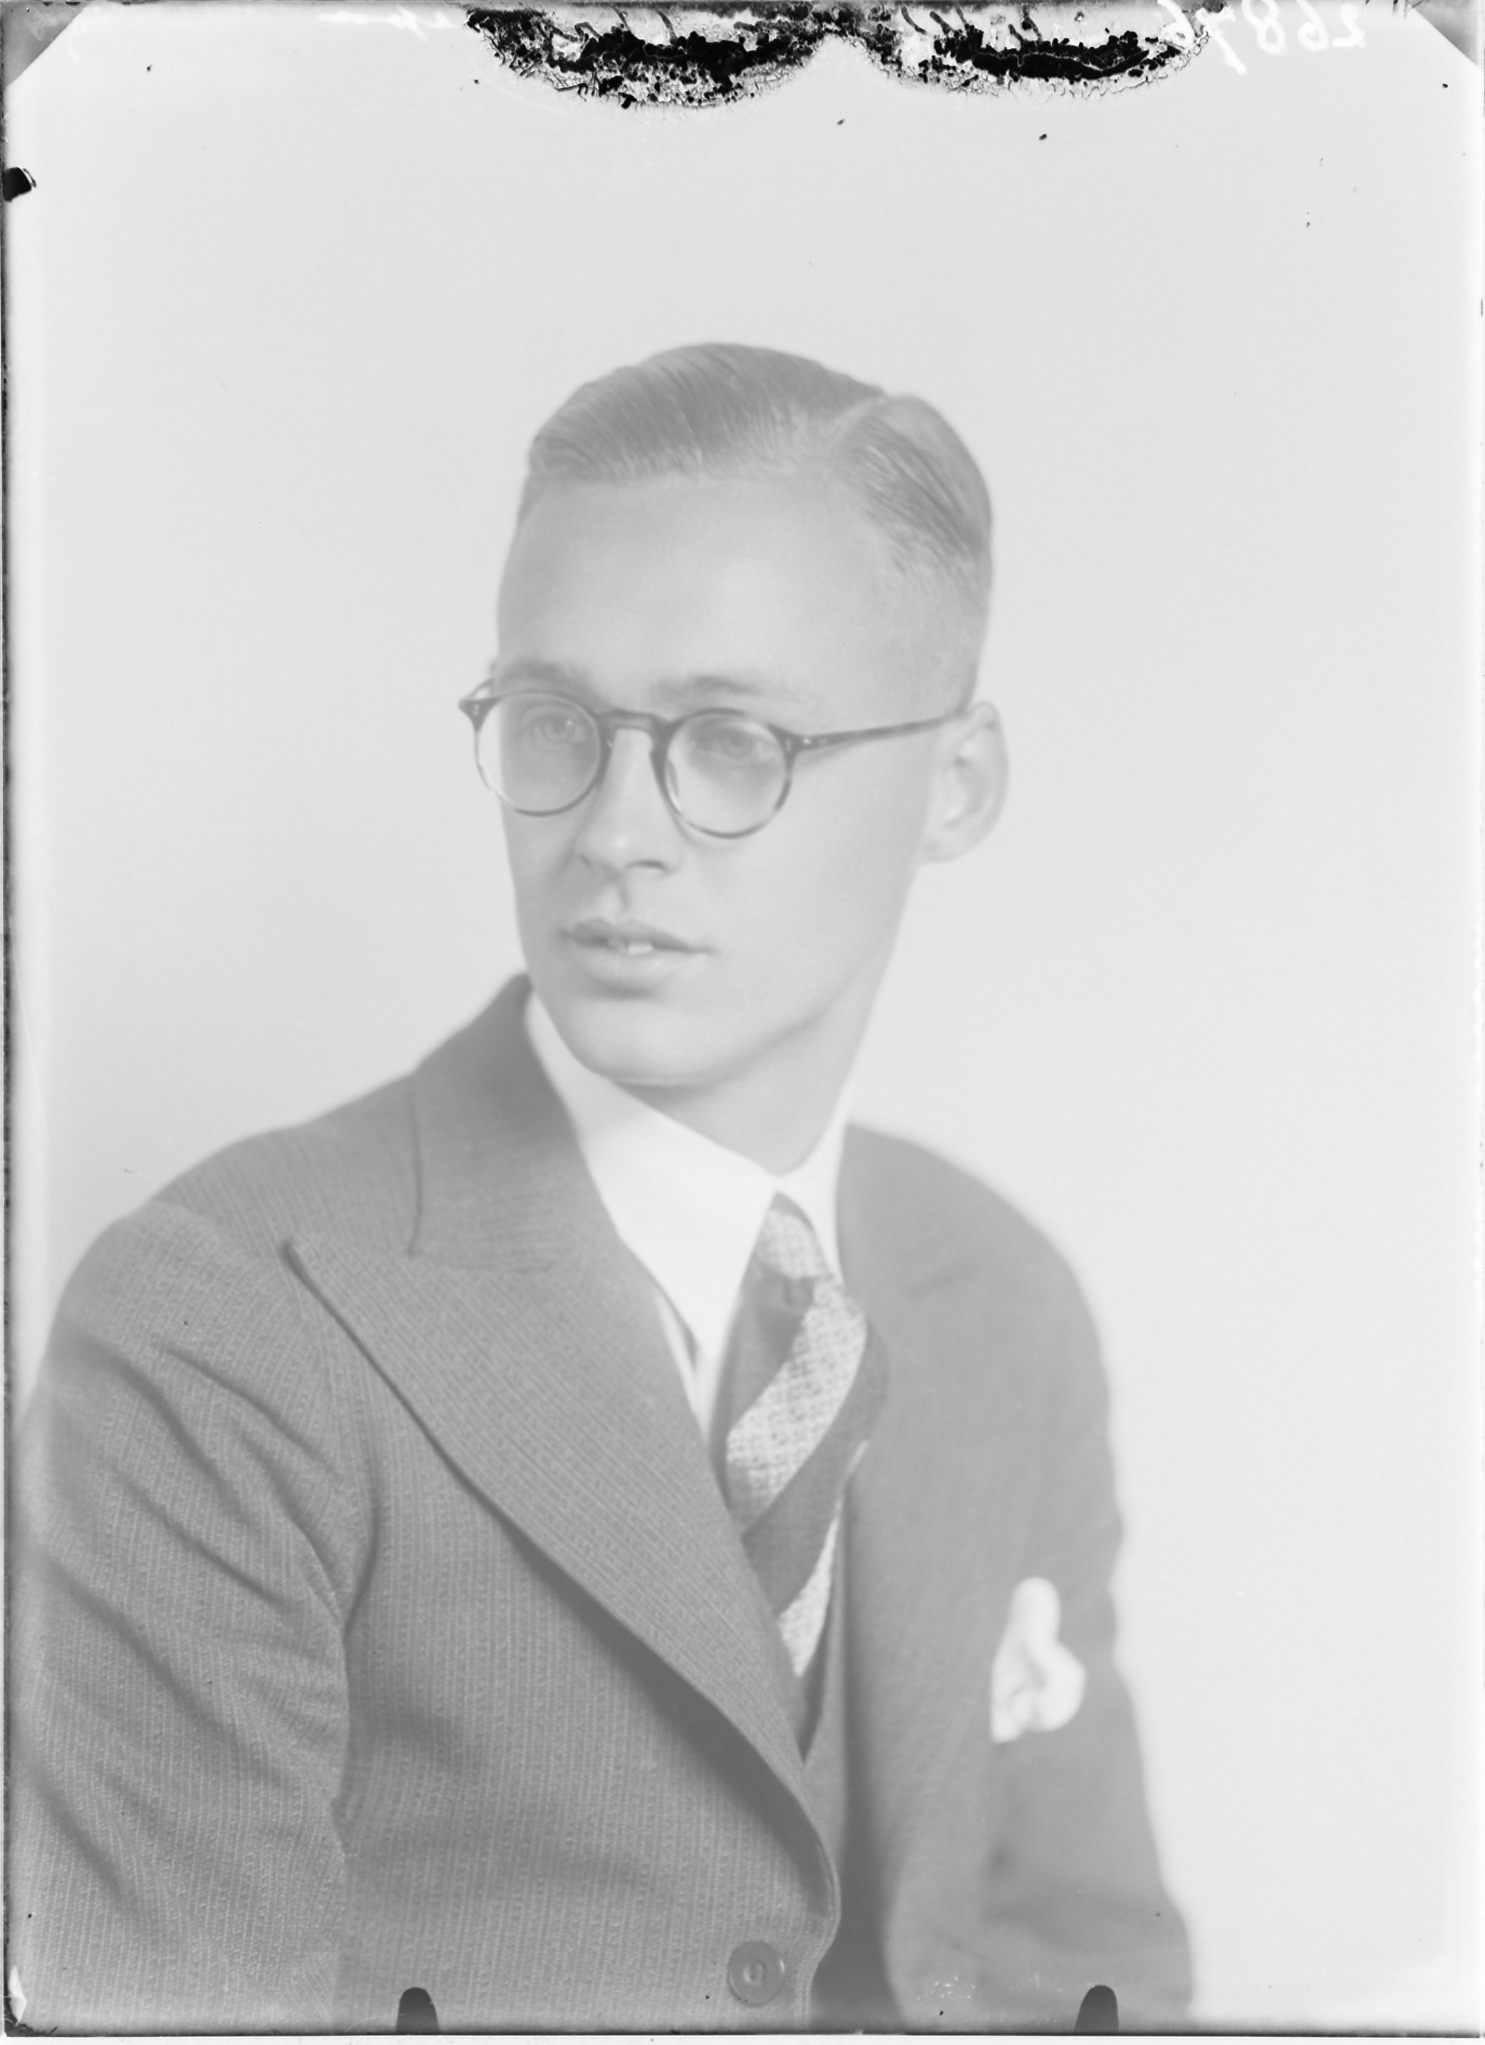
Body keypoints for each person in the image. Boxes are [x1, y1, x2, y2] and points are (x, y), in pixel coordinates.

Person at [11, 343, 1191, 2033]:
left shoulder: (997, 1290)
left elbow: (1091, 1968)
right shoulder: (221, 1320)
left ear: (956, 786)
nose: (615, 830)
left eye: (733, 741)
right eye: (556, 725)